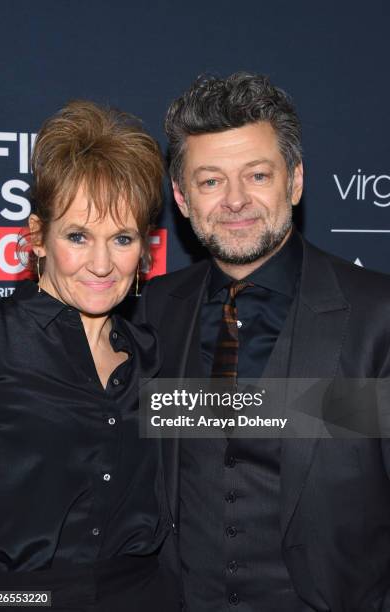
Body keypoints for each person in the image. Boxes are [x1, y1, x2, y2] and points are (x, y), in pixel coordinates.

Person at [135, 73, 390, 611]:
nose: (234, 201)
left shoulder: (377, 317)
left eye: (256, 175)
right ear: (181, 198)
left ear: (294, 182)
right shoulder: (153, 310)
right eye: (209, 182)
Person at [0, 101, 180, 611]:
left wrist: (363, 406)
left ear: (144, 251)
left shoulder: (151, 355)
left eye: (121, 238)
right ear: (36, 238)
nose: (100, 263)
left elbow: (257, 418)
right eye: (77, 236)